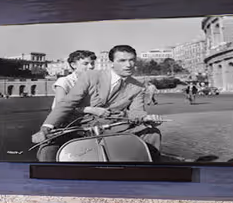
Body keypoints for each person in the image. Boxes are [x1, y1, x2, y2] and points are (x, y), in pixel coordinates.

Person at [31, 45, 159, 152]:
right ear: (111, 63)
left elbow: (137, 111)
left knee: (152, 134)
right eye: (122, 61)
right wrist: (46, 128)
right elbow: (66, 103)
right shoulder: (90, 76)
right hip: (78, 127)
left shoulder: (138, 87)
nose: (129, 65)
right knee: (48, 149)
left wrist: (146, 118)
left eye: (132, 60)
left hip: (113, 128)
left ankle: (148, 169)